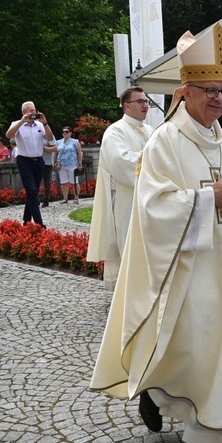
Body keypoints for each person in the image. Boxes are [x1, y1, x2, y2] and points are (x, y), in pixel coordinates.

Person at [90, 23, 222, 443]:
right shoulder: (165, 140)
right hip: (188, 266)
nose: (219, 99)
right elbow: (152, 206)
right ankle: (162, 391)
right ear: (185, 92)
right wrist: (208, 198)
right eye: (209, 90)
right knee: (192, 344)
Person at [86, 86, 154, 291]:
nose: (145, 105)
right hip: (127, 198)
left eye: (146, 101)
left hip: (150, 195)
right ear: (127, 106)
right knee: (129, 243)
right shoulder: (115, 131)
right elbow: (121, 162)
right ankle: (129, 291)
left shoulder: (151, 130)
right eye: (140, 102)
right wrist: (155, 161)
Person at [6, 101, 53, 225]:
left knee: (33, 191)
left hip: (39, 161)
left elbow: (49, 138)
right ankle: (39, 222)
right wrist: (22, 121)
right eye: (31, 110)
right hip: (24, 161)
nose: (34, 112)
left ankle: (26, 220)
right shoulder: (17, 124)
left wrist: (45, 122)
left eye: (35, 110)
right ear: (24, 112)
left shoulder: (39, 125)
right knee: (32, 191)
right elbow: (8, 135)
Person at [54, 126, 82, 204]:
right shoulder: (58, 142)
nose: (65, 133)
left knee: (74, 182)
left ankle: (76, 197)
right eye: (63, 132)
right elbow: (55, 153)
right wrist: (54, 163)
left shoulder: (75, 142)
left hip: (72, 164)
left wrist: (80, 163)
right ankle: (65, 198)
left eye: (66, 131)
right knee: (63, 182)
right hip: (61, 165)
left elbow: (79, 153)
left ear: (70, 133)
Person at [41, 138, 57, 207]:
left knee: (47, 182)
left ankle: (46, 199)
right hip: (34, 162)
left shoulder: (48, 136)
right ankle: (35, 199)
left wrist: (43, 148)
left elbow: (54, 148)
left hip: (47, 162)